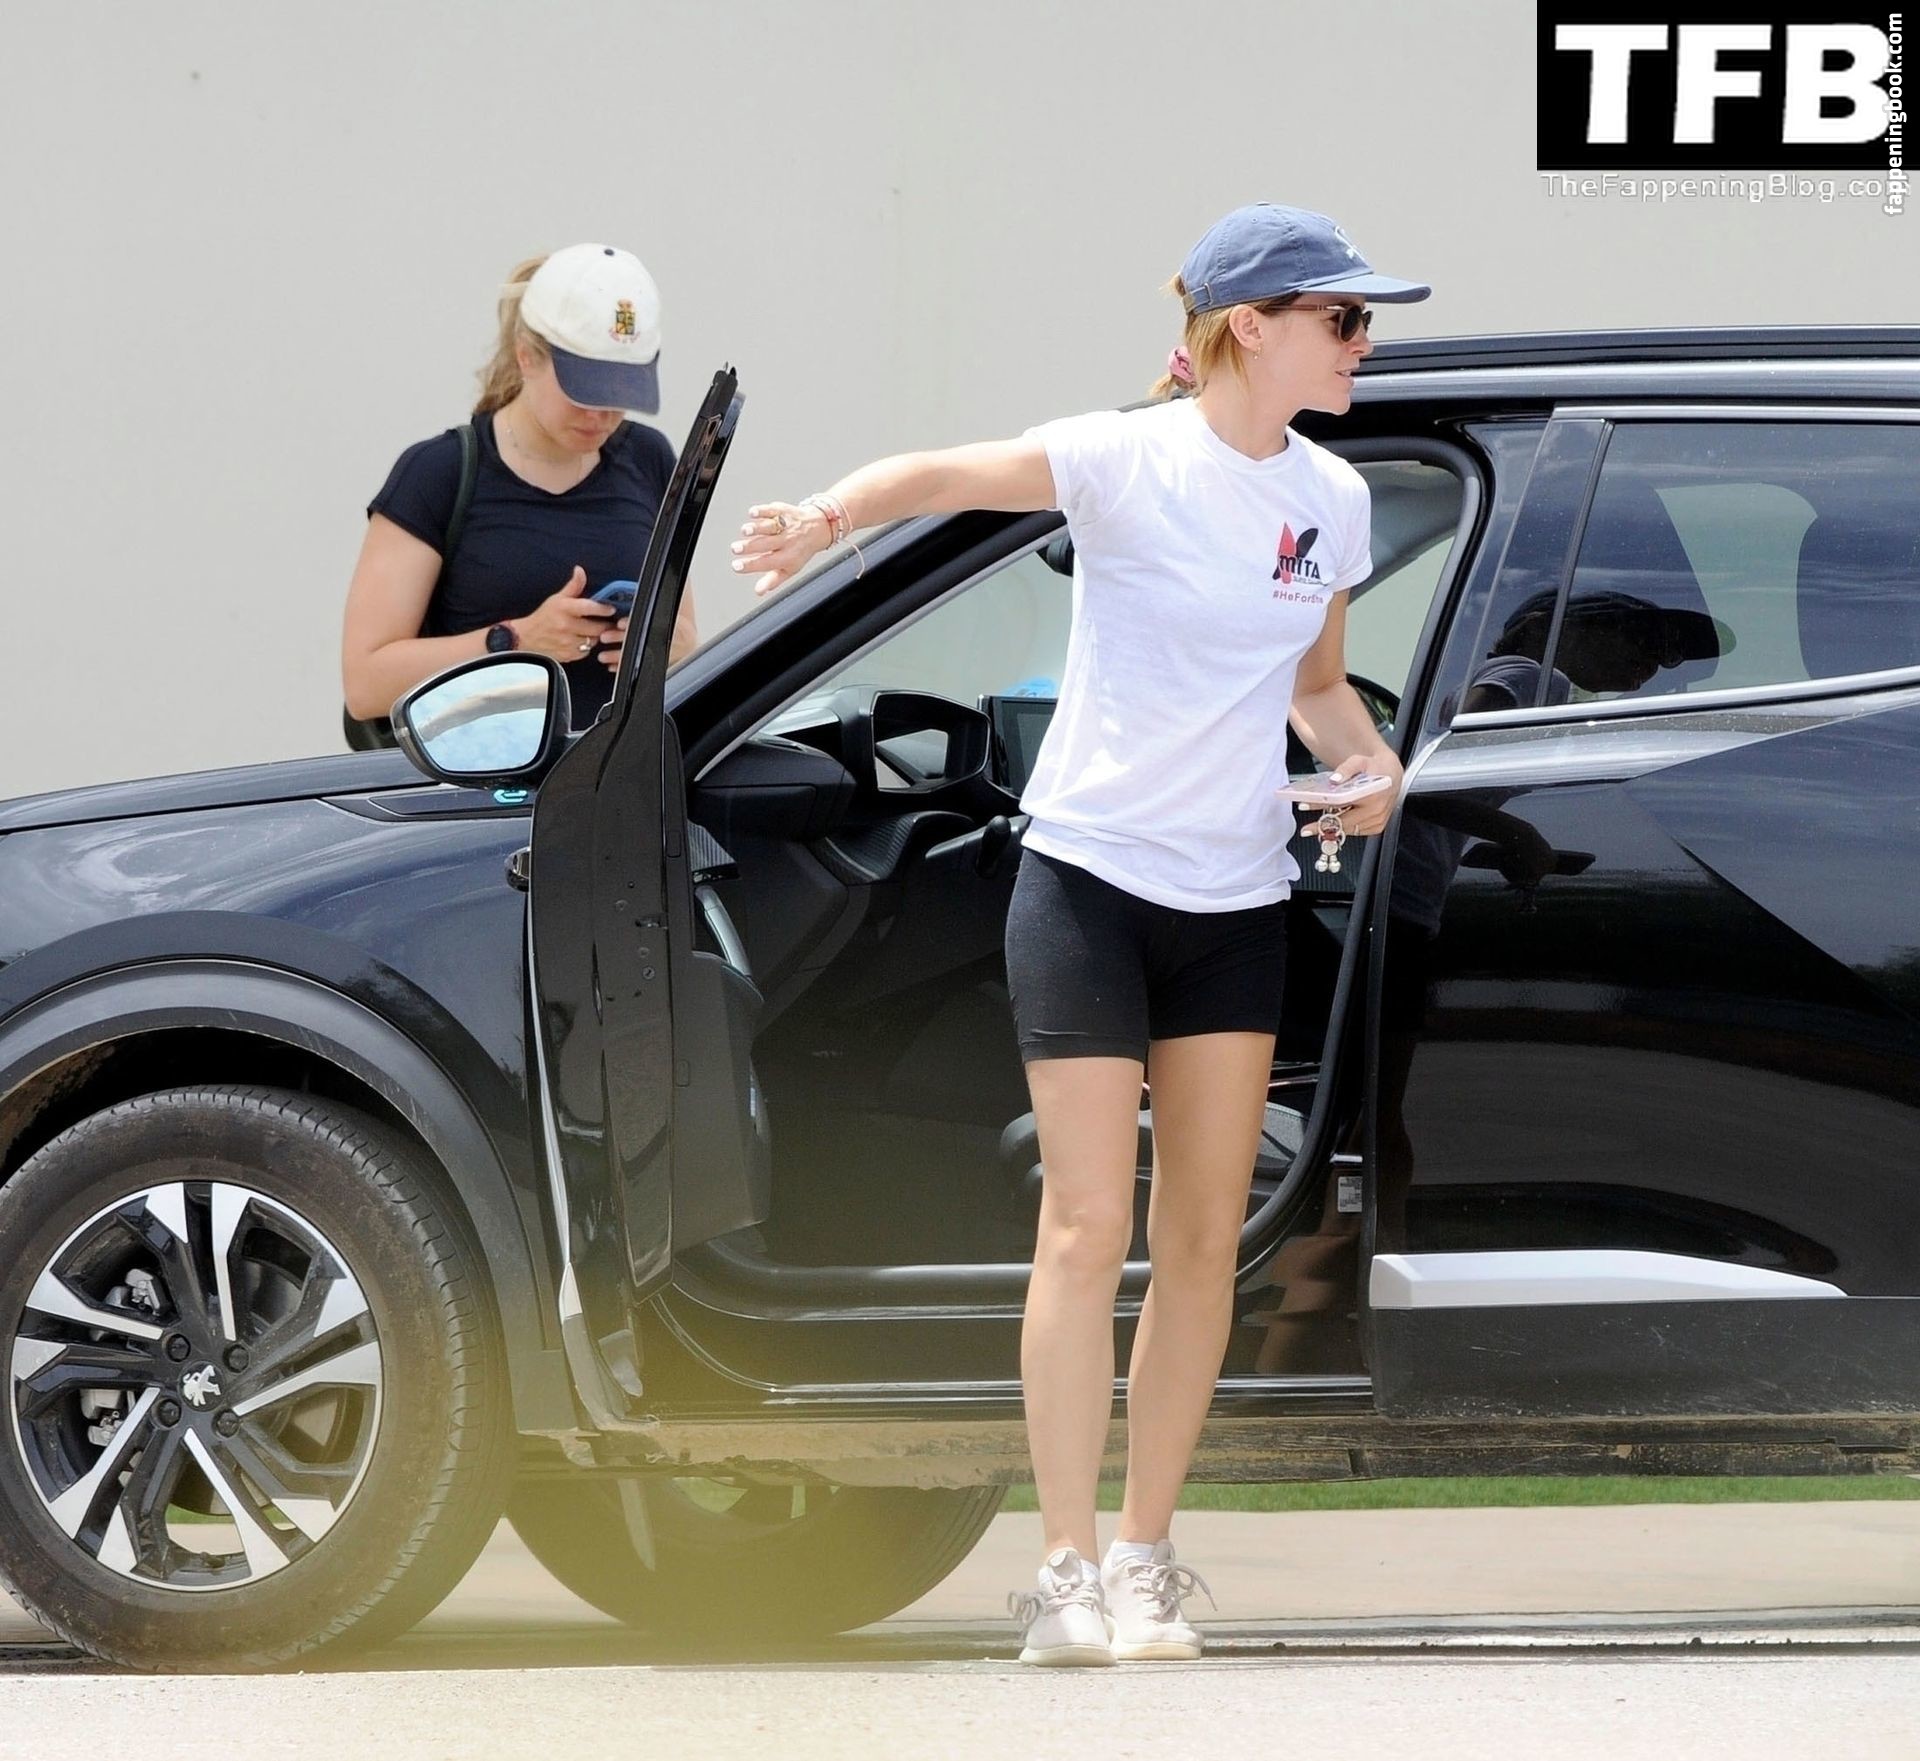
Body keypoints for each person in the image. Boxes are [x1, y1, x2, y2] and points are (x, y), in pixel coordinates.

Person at [734, 204, 1430, 1666]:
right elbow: (945, 474)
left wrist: (1376, 772)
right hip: (1090, 884)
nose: (1364, 343)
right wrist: (822, 517)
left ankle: (1143, 1559)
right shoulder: (1129, 459)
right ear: (1250, 325)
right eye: (1344, 318)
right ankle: (1060, 1571)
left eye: (1366, 320)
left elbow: (1317, 689)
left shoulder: (1334, 496)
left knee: (1201, 1238)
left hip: (1235, 901)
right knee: (1085, 1222)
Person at [342, 244, 699, 742]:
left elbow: (684, 634)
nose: (601, 415)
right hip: (478, 783)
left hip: (621, 778)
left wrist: (678, 650)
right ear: (526, 355)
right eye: (584, 390)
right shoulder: (438, 474)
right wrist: (517, 640)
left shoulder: (650, 459)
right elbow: (365, 684)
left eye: (621, 392)